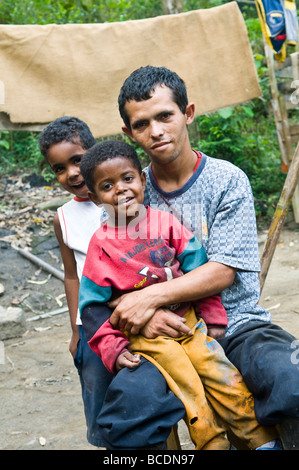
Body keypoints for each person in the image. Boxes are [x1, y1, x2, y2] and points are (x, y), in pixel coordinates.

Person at [101, 65, 299, 449]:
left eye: (165, 116)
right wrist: (148, 313)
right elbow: (106, 279)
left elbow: (223, 271)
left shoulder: (226, 180)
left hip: (237, 325)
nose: (156, 131)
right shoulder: (124, 192)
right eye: (142, 124)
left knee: (291, 379)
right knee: (130, 411)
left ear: (187, 113)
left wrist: (149, 296)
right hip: (163, 335)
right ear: (129, 133)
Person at [78, 139, 280, 450]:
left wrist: (212, 317)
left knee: (221, 374)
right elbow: (92, 307)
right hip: (146, 336)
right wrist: (114, 349)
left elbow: (198, 269)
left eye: (128, 179)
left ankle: (258, 439)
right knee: (186, 380)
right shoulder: (101, 245)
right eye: (107, 186)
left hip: (189, 322)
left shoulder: (165, 223)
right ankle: (211, 441)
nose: (121, 190)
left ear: (143, 179)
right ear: (94, 197)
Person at [38, 117, 115, 448]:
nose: (70, 173)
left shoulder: (123, 199)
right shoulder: (63, 218)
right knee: (100, 398)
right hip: (93, 326)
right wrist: (75, 330)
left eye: (77, 160)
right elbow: (72, 275)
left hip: (133, 314)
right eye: (58, 168)